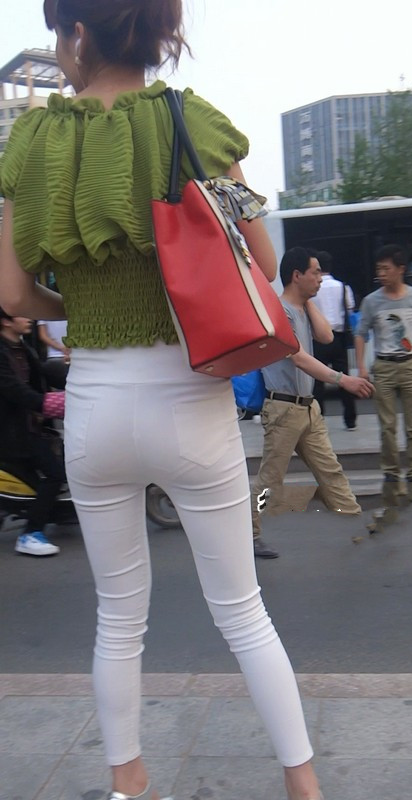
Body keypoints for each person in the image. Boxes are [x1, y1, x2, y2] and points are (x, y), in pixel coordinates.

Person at [0, 3, 324, 799]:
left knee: (118, 617)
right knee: (242, 611)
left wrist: (80, 307)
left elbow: (12, 293)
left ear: (77, 32)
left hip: (96, 407)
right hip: (192, 395)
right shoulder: (196, 122)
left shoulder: (35, 141)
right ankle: (304, 785)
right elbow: (261, 259)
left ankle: (129, 785)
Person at [251, 247, 373, 560]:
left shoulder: (302, 308)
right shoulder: (279, 313)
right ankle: (249, 534)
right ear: (297, 275)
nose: (321, 278)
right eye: (315, 272)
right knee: (270, 481)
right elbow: (300, 359)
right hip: (283, 410)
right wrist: (343, 380)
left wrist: (307, 300)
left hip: (307, 407)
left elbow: (327, 337)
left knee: (330, 470)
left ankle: (358, 521)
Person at [355, 244, 412, 517]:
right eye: (378, 269)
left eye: (386, 268)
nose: (381, 274)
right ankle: (391, 472)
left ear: (401, 269)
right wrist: (361, 366)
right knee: (387, 426)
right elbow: (361, 333)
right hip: (384, 366)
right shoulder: (372, 301)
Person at [0, 307, 66, 556]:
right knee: (54, 475)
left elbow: (44, 373)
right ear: (6, 322)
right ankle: (31, 533)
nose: (30, 318)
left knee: (39, 480)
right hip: (14, 431)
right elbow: (14, 389)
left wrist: (81, 382)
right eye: (22, 314)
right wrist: (49, 404)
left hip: (30, 425)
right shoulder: (4, 352)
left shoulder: (22, 348)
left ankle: (57, 515)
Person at [311, 250, 358, 430]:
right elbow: (350, 309)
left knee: (318, 381)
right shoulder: (343, 287)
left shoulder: (313, 288)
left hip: (318, 338)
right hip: (339, 338)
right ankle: (350, 419)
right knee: (344, 378)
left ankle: (319, 419)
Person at [37, 318, 71, 389]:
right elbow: (43, 336)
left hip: (59, 356)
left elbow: (43, 335)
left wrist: (63, 348)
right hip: (56, 356)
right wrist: (64, 349)